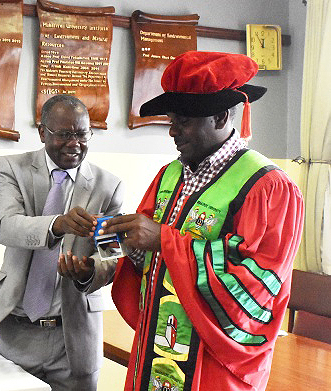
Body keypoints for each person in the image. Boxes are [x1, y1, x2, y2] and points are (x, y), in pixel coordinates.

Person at [94, 51, 303, 391]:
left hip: (214, 365)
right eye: (172, 119)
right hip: (157, 347)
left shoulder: (268, 187)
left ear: (220, 116)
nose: (172, 131)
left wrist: (164, 240)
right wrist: (116, 241)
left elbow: (255, 286)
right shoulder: (169, 176)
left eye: (183, 121)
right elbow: (148, 259)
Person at [0, 95, 124, 391]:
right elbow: (6, 226)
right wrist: (57, 224)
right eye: (64, 134)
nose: (74, 143)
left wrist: (89, 273)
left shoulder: (108, 187)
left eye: (82, 134)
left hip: (73, 339)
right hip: (18, 331)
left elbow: (112, 256)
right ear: (42, 132)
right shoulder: (12, 168)